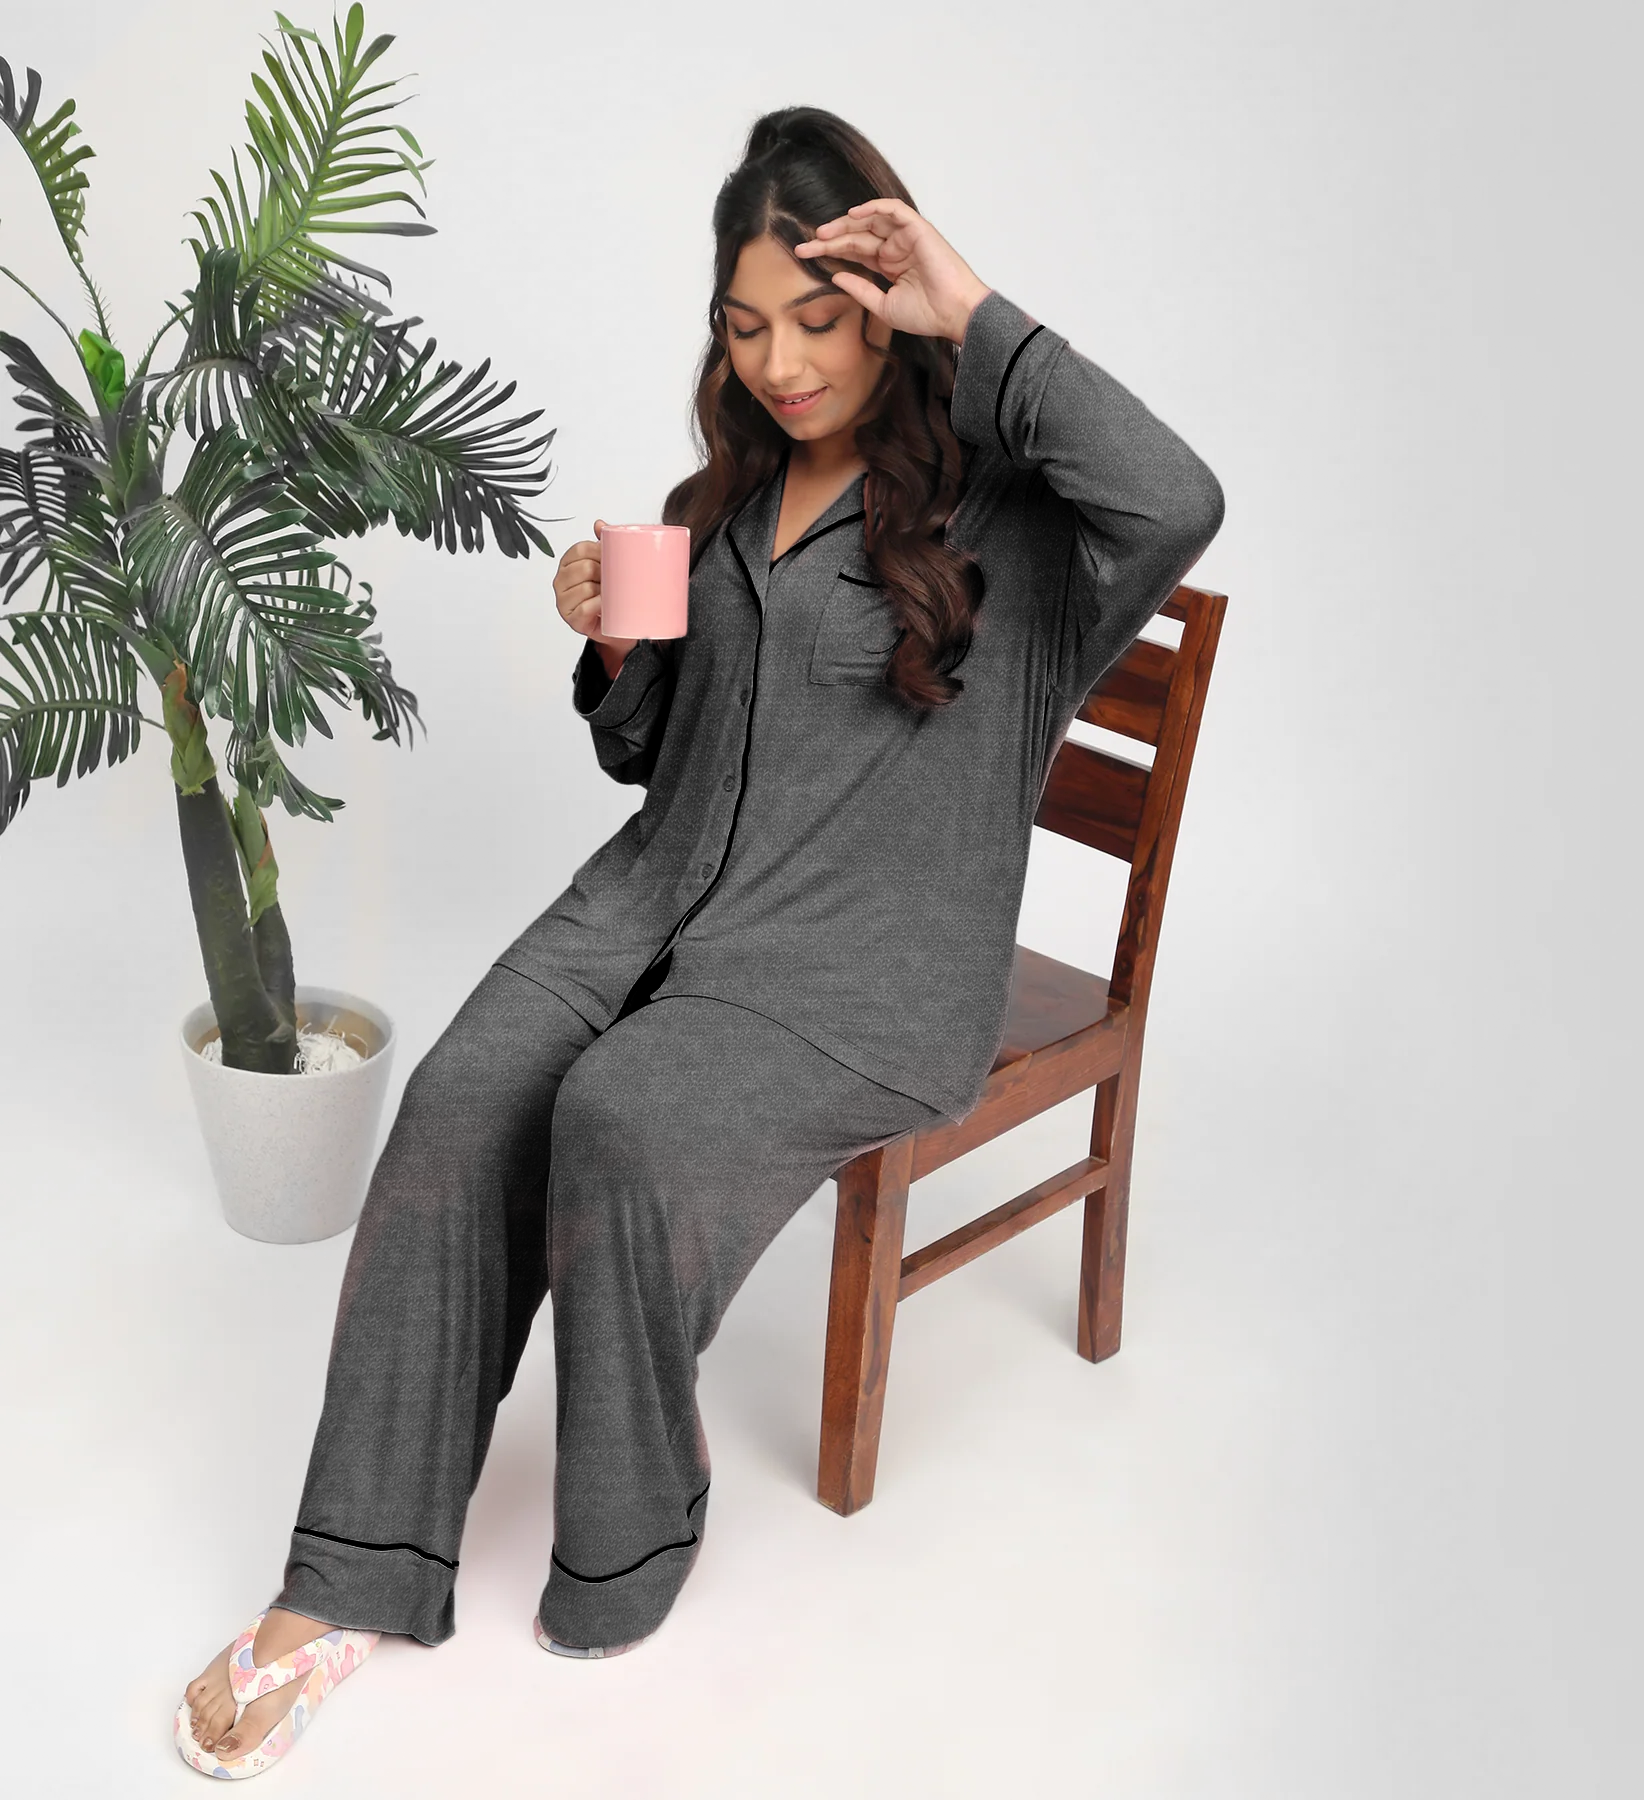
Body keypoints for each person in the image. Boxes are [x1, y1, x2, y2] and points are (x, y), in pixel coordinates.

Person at [174, 104, 1225, 1777]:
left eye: (822, 318)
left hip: (865, 971)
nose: (786, 363)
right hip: (650, 904)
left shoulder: (1018, 524)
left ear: (890, 302)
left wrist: (979, 307)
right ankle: (352, 1568)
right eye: (748, 326)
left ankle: (629, 1542)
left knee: (621, 1118)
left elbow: (1184, 494)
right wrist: (611, 634)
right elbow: (648, 753)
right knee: (458, 1101)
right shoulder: (718, 500)